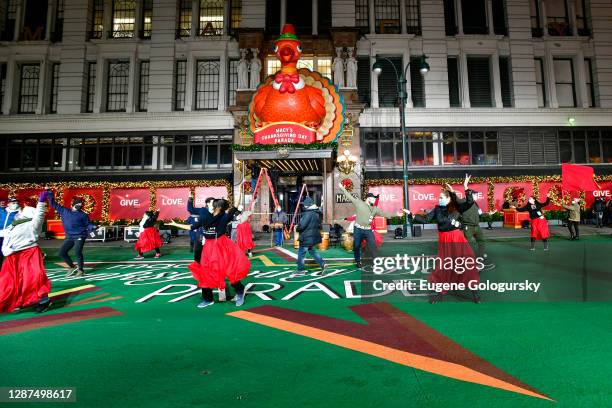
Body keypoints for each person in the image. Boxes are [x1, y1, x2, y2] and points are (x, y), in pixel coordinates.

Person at [404, 189, 481, 304]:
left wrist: (466, 189)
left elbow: (469, 203)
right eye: (439, 198)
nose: (439, 200)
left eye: (441, 198)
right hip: (444, 240)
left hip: (457, 238)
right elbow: (426, 219)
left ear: (448, 199)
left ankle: (475, 292)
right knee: (443, 266)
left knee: (466, 263)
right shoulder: (437, 209)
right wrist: (411, 215)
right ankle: (439, 292)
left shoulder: (456, 207)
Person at [170, 199, 250, 308]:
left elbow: (235, 207)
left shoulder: (224, 217)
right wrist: (175, 224)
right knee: (205, 272)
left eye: (213, 203)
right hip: (209, 248)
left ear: (218, 207)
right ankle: (208, 299)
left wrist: (240, 189)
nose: (210, 204)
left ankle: (240, 291)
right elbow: (191, 227)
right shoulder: (205, 217)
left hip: (222, 246)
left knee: (229, 270)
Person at [0, 191, 51, 313]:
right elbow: (5, 236)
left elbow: (39, 213)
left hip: (29, 253)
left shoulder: (33, 223)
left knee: (34, 279)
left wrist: (41, 201)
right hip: (12, 255)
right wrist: (5, 249)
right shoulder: (14, 224)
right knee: (10, 280)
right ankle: (18, 300)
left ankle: (44, 301)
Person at [338, 183, 405, 269]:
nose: (374, 200)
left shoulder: (374, 209)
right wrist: (342, 188)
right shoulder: (359, 203)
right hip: (358, 229)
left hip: (368, 230)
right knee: (356, 246)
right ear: (368, 198)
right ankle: (358, 261)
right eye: (373, 198)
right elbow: (349, 196)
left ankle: (375, 262)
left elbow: (384, 214)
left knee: (373, 246)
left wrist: (396, 214)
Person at [447, 175, 495, 270]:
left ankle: (481, 259)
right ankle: (468, 263)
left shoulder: (476, 204)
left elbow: (480, 214)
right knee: (469, 245)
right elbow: (456, 199)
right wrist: (455, 189)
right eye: (475, 194)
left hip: (477, 227)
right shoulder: (463, 202)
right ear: (470, 195)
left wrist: (489, 213)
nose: (477, 196)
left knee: (481, 241)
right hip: (468, 227)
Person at [47, 190, 95, 277]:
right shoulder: (64, 211)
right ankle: (72, 267)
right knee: (62, 253)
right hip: (69, 236)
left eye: (81, 205)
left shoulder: (83, 215)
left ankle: (81, 270)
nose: (79, 206)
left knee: (77, 252)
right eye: (78, 204)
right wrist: (49, 193)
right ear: (73, 205)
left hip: (80, 235)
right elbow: (53, 204)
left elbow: (87, 224)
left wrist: (92, 227)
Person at [295, 197, 326, 275]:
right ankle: (323, 263)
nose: (304, 206)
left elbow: (302, 225)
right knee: (312, 251)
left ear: (308, 205)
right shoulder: (316, 213)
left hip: (306, 237)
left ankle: (300, 270)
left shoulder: (308, 213)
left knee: (301, 253)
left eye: (305, 204)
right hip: (313, 237)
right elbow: (319, 225)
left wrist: (297, 228)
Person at [0, 198, 20, 267]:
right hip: (0, 234)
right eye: (13, 203)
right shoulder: (2, 210)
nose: (15, 204)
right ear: (8, 204)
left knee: (10, 253)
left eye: (16, 203)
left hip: (10, 236)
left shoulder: (20, 213)